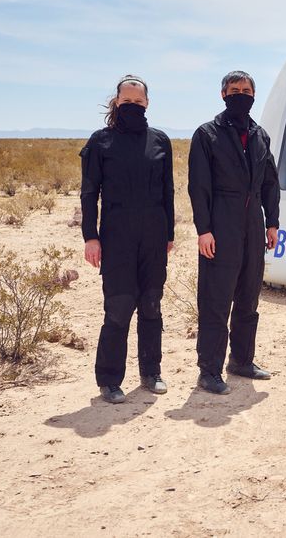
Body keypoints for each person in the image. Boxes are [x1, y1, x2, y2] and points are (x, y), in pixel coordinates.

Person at [80, 75, 174, 404]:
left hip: (153, 234)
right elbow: (89, 194)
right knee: (119, 308)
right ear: (117, 102)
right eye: (127, 101)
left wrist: (169, 234)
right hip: (117, 234)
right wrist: (91, 237)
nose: (132, 106)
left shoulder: (160, 141)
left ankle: (151, 372)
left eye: (138, 101)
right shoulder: (100, 141)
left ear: (147, 104)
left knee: (151, 304)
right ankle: (109, 380)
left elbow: (168, 191)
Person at [188, 70, 280, 395]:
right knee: (216, 298)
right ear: (223, 95)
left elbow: (270, 182)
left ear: (253, 95)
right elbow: (198, 187)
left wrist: (272, 222)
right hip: (221, 222)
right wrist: (205, 230)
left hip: (253, 222)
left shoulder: (259, 135)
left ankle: (242, 360)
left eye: (246, 89)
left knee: (248, 295)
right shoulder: (207, 134)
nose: (240, 94)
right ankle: (209, 370)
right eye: (234, 89)